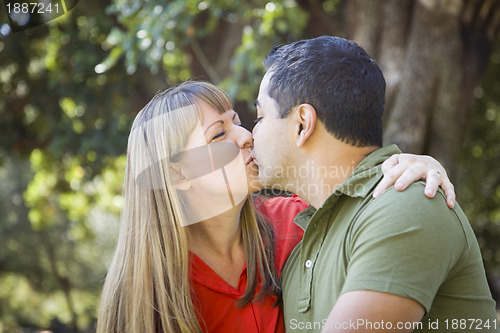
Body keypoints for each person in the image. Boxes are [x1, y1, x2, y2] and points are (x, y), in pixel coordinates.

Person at [96, 81, 455, 333]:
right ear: (178, 174)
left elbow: (366, 199)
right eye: (219, 134)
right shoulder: (148, 295)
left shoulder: (299, 222)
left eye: (236, 120)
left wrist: (414, 165)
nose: (246, 136)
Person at [251, 36, 499, 333]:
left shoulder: (406, 205)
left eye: (260, 116)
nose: (250, 135)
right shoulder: (302, 245)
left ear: (302, 123)